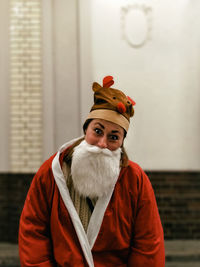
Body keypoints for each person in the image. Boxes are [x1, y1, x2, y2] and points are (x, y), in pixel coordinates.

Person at [18, 76, 165, 267]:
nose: (103, 144)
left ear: (121, 142)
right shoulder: (51, 173)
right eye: (97, 131)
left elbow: (147, 245)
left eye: (113, 137)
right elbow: (34, 234)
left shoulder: (134, 179)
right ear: (86, 129)